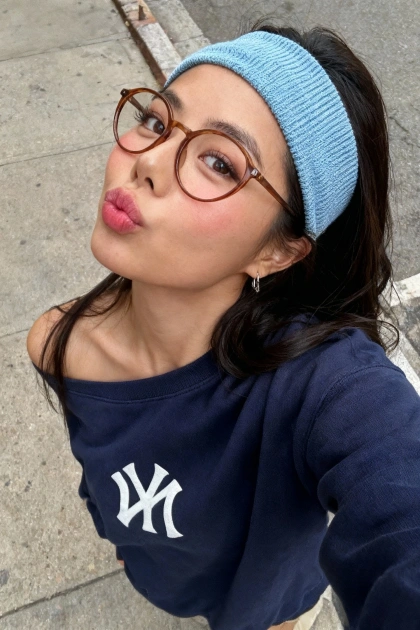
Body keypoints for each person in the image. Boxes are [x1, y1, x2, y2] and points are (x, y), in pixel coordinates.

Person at [26, 21, 420, 630]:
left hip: (271, 608)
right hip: (163, 579)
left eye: (218, 162)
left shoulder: (317, 384)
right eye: (156, 120)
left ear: (277, 252)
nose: (148, 161)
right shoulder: (59, 342)